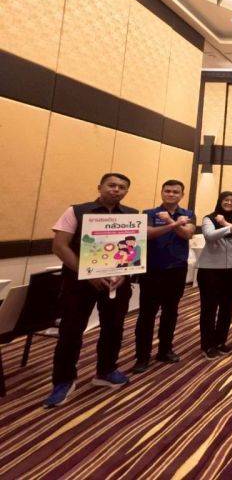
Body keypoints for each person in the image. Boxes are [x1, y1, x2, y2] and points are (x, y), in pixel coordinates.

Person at [44, 173, 137, 408]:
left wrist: (124, 274)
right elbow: (60, 246)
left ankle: (106, 371)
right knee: (71, 331)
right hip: (78, 284)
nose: (116, 190)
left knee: (113, 328)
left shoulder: (132, 215)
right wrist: (88, 273)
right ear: (100, 187)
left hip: (117, 283)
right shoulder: (76, 211)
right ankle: (63, 380)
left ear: (126, 191)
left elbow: (133, 250)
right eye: (111, 185)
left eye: (122, 187)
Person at [132, 180, 195, 374]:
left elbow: (187, 234)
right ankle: (142, 356)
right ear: (161, 192)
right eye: (167, 191)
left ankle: (165, 350)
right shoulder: (149, 213)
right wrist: (175, 223)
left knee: (170, 311)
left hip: (176, 269)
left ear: (182, 195)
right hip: (152, 269)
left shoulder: (188, 214)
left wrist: (170, 222)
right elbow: (147, 234)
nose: (171, 194)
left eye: (176, 192)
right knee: (147, 314)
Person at [196, 191, 232, 359]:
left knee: (227, 306)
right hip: (210, 269)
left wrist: (226, 223)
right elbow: (210, 236)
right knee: (209, 308)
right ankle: (207, 344)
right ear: (220, 201)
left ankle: (220, 341)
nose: (229, 203)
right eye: (226, 200)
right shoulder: (209, 218)